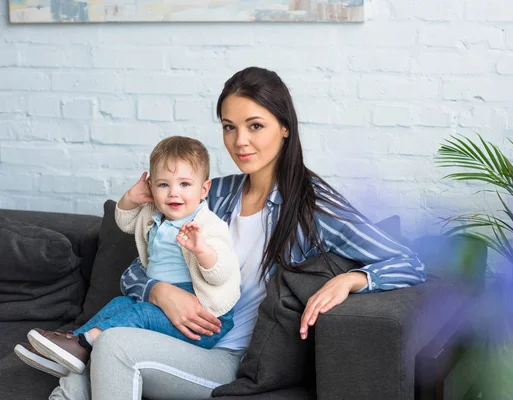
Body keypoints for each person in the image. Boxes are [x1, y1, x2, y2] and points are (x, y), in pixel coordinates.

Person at [47, 66, 427, 400]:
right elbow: (138, 268)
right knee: (78, 367)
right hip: (172, 334)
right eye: (229, 127)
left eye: (255, 126)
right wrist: (160, 292)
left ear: (285, 129)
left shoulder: (314, 207)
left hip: (227, 357)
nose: (239, 141)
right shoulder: (215, 192)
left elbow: (410, 263)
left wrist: (351, 279)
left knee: (111, 344)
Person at [15, 136, 241, 377]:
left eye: (185, 184)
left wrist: (202, 251)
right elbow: (124, 221)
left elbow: (223, 272)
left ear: (204, 189)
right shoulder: (153, 214)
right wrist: (131, 199)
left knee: (140, 314)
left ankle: (83, 346)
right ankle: (68, 350)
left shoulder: (208, 225)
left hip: (203, 320)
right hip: (161, 303)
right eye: (164, 185)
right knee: (119, 304)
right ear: (152, 186)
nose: (174, 193)